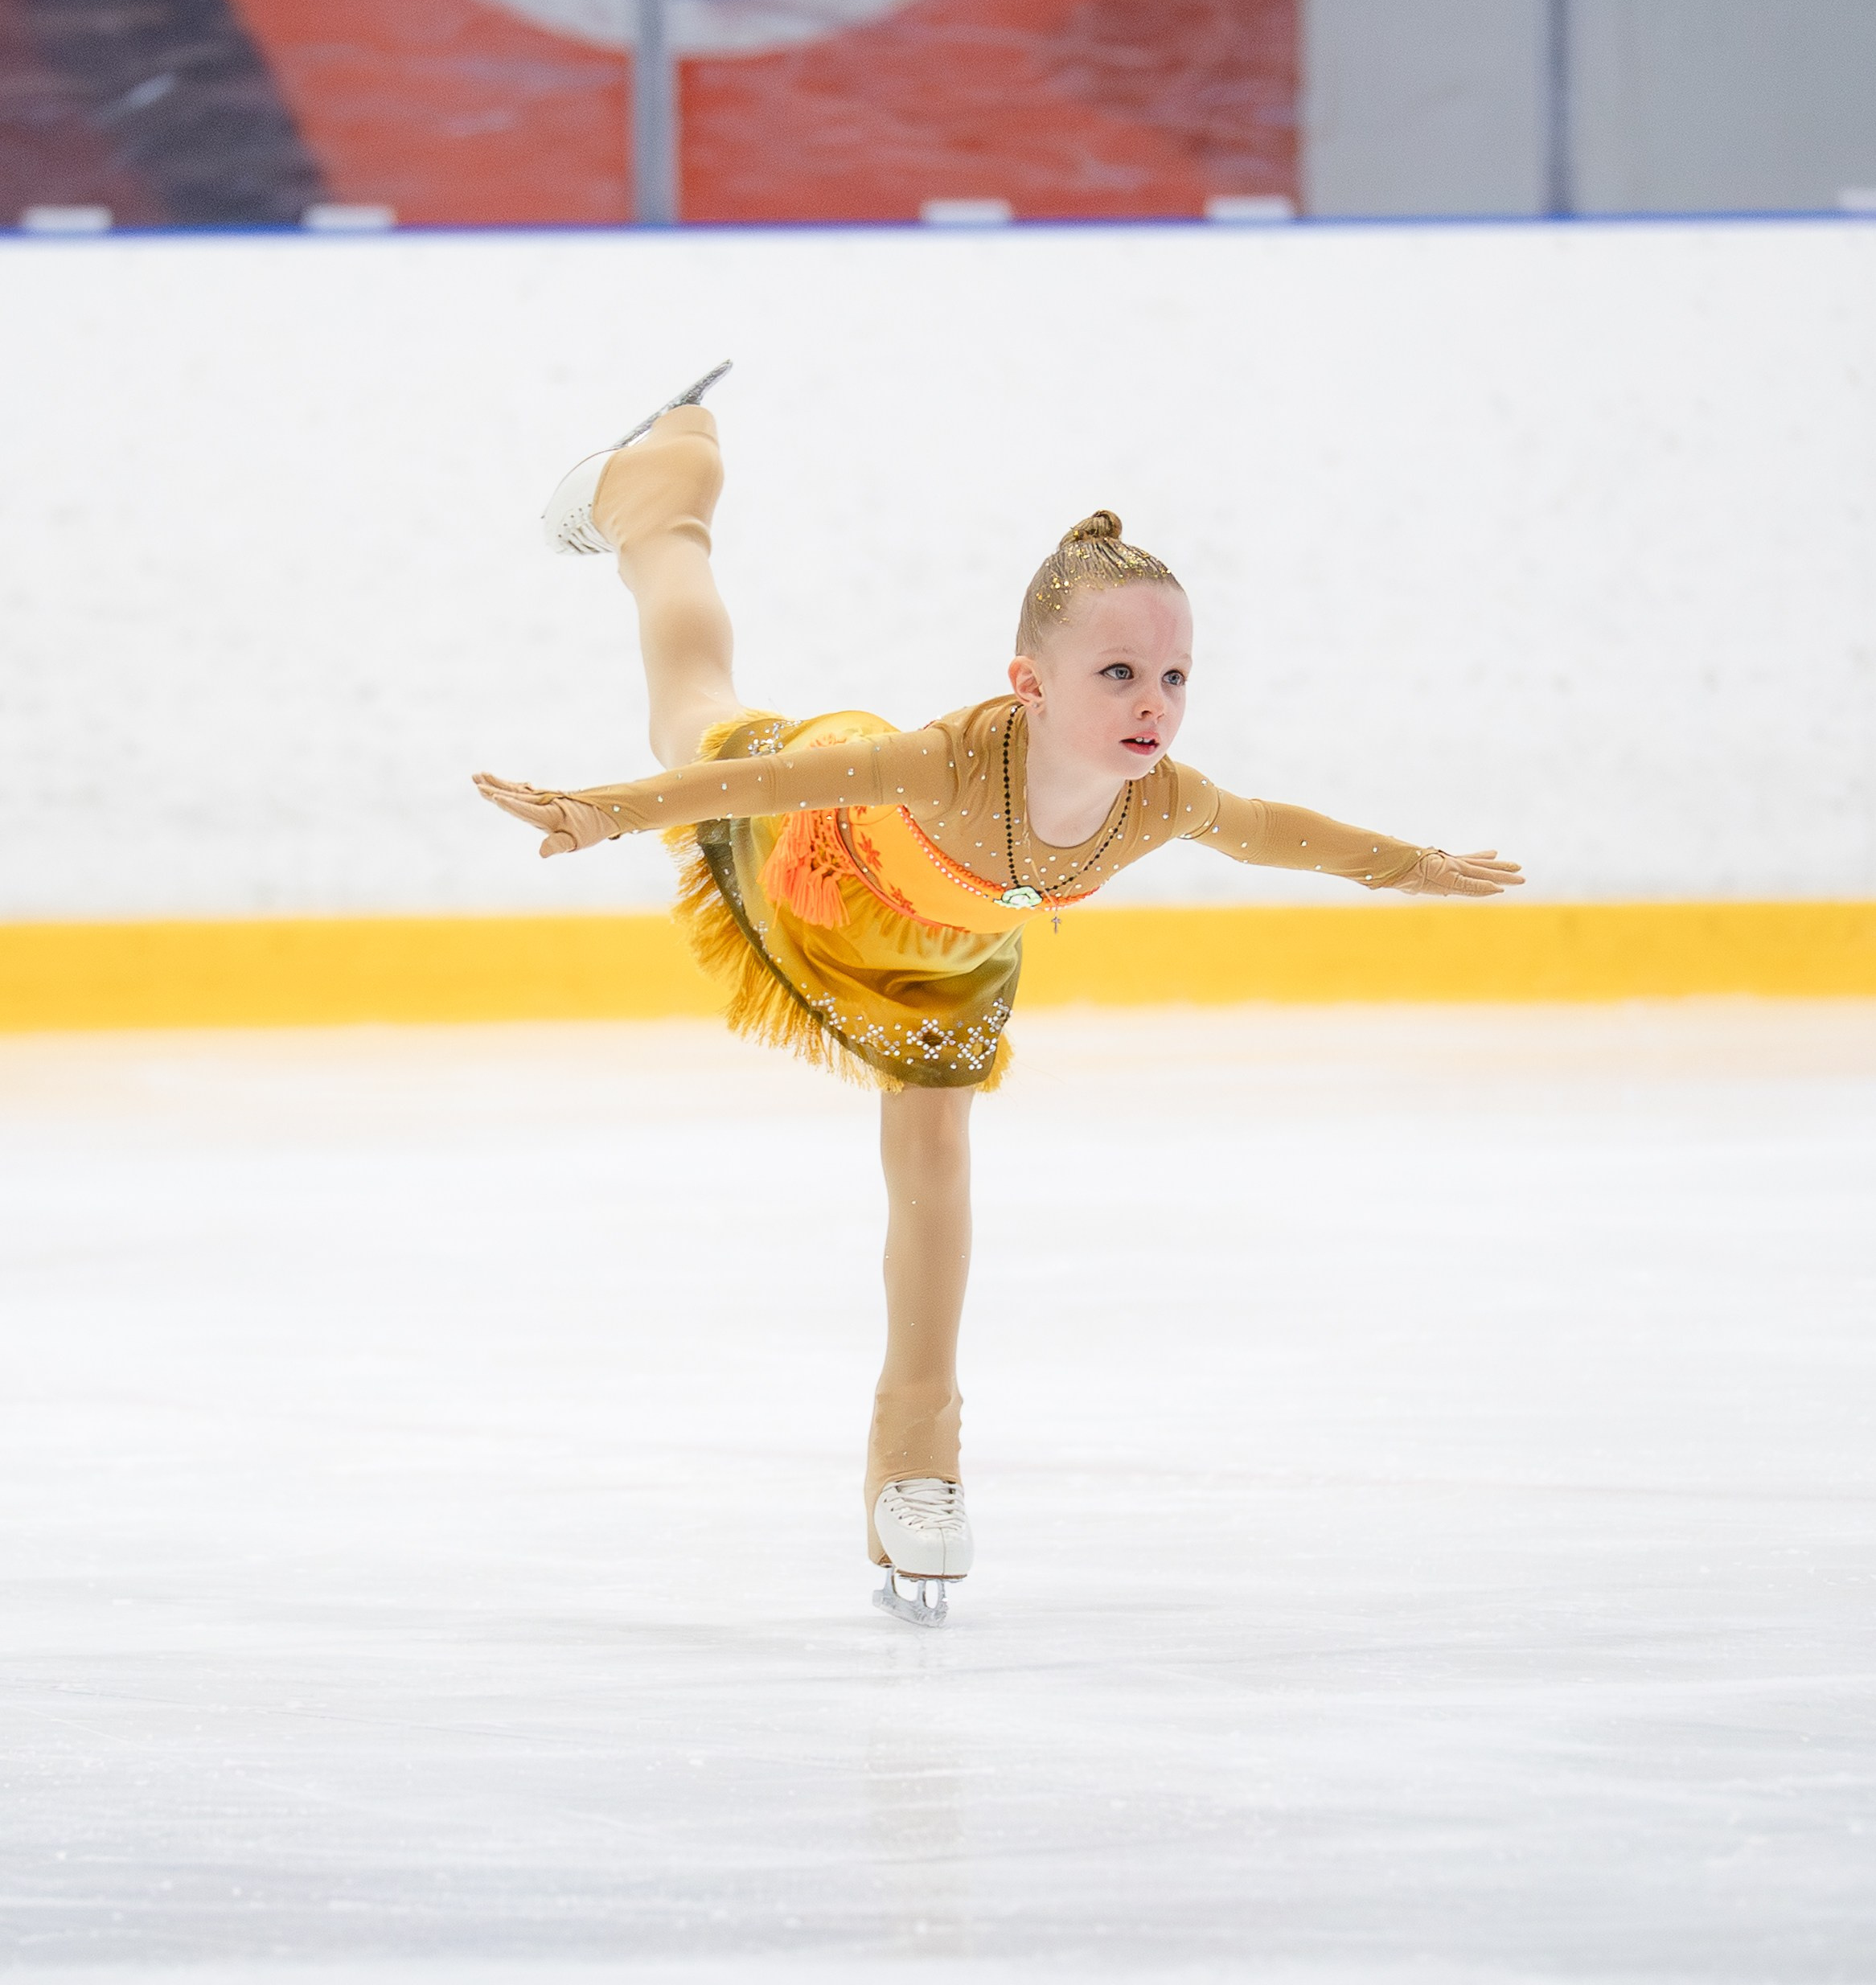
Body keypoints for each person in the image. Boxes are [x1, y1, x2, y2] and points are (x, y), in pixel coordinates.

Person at [475, 380, 1522, 1624]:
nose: (1153, 703)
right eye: (1120, 671)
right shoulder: (953, 757)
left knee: (934, 1159)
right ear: (1027, 680)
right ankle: (659, 501)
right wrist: (602, 811)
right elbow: (770, 782)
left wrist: (1408, 865)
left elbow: (1271, 832)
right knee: (694, 714)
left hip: (957, 956)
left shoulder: (1161, 798)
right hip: (823, 864)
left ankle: (917, 1464)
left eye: (1175, 676)